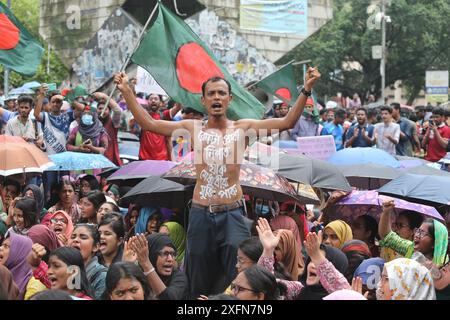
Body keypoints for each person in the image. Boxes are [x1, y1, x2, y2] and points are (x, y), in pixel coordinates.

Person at [114, 67, 321, 298]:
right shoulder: (193, 128)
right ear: (203, 100)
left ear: (229, 99)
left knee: (239, 275)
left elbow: (287, 122)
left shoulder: (244, 129)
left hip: (232, 214)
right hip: (201, 214)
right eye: (211, 94)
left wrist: (306, 89)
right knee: (198, 277)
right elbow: (150, 124)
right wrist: (127, 93)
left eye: (221, 93)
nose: (216, 98)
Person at [256, 218, 350, 300]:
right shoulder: (299, 290)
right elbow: (266, 283)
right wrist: (268, 251)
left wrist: (317, 257)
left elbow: (344, 292)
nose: (313, 265)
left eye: (318, 262)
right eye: (311, 260)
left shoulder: (341, 295)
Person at [379, 200, 448, 266]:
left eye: (422, 233)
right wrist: (386, 212)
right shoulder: (410, 248)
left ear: (434, 243)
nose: (417, 235)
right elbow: (387, 236)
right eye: (418, 231)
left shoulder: (445, 264)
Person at [124, 233, 189, 300]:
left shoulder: (179, 278)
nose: (170, 259)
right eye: (165, 254)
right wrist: (126, 266)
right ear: (151, 255)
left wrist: (146, 263)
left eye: (172, 254)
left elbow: (169, 298)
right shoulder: (139, 274)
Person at [0, 232, 46, 299]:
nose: (0, 248)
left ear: (20, 253)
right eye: (2, 245)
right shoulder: (2, 274)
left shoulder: (35, 283)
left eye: (6, 246)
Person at [69, 224, 107, 300]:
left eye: (83, 237)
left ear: (96, 247)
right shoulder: (69, 270)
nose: (75, 240)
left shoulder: (103, 276)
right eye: (73, 237)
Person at [94, 92, 123, 166]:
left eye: (105, 109)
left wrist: (104, 96)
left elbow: (118, 111)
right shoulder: (93, 123)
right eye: (100, 108)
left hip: (109, 160)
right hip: (94, 160)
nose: (102, 111)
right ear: (96, 110)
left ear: (109, 111)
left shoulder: (113, 122)